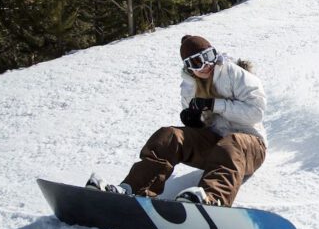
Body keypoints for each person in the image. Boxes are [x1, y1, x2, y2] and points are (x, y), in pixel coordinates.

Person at [87, 34, 267, 206]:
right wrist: (196, 121)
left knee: (231, 142)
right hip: (214, 145)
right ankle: (132, 189)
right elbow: (201, 125)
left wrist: (215, 105)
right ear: (189, 67)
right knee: (170, 135)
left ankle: (212, 199)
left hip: (249, 146)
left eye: (209, 56)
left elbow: (256, 112)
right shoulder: (189, 87)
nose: (206, 65)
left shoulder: (236, 74)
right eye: (197, 62)